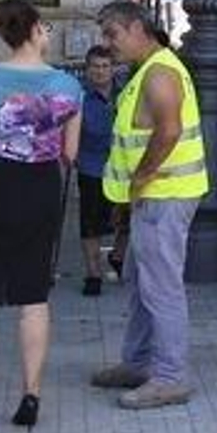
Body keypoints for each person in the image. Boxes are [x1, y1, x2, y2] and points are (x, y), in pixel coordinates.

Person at [0, 0, 82, 432]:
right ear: (34, 31)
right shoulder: (67, 85)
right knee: (33, 297)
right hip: (38, 185)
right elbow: (70, 153)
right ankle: (31, 394)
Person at [90, 1, 208, 410]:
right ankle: (139, 362)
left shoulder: (159, 73)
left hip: (164, 195)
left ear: (138, 28)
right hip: (156, 197)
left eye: (113, 34)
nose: (108, 44)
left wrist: (140, 179)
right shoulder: (153, 70)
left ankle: (170, 377)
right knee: (143, 284)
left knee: (160, 287)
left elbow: (169, 131)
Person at [76, 46, 117, 297]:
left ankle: (119, 255)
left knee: (125, 219)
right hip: (91, 164)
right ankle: (93, 272)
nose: (101, 72)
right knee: (90, 222)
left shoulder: (125, 92)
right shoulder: (80, 95)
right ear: (88, 69)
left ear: (113, 69)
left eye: (105, 66)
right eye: (95, 67)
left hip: (123, 165)